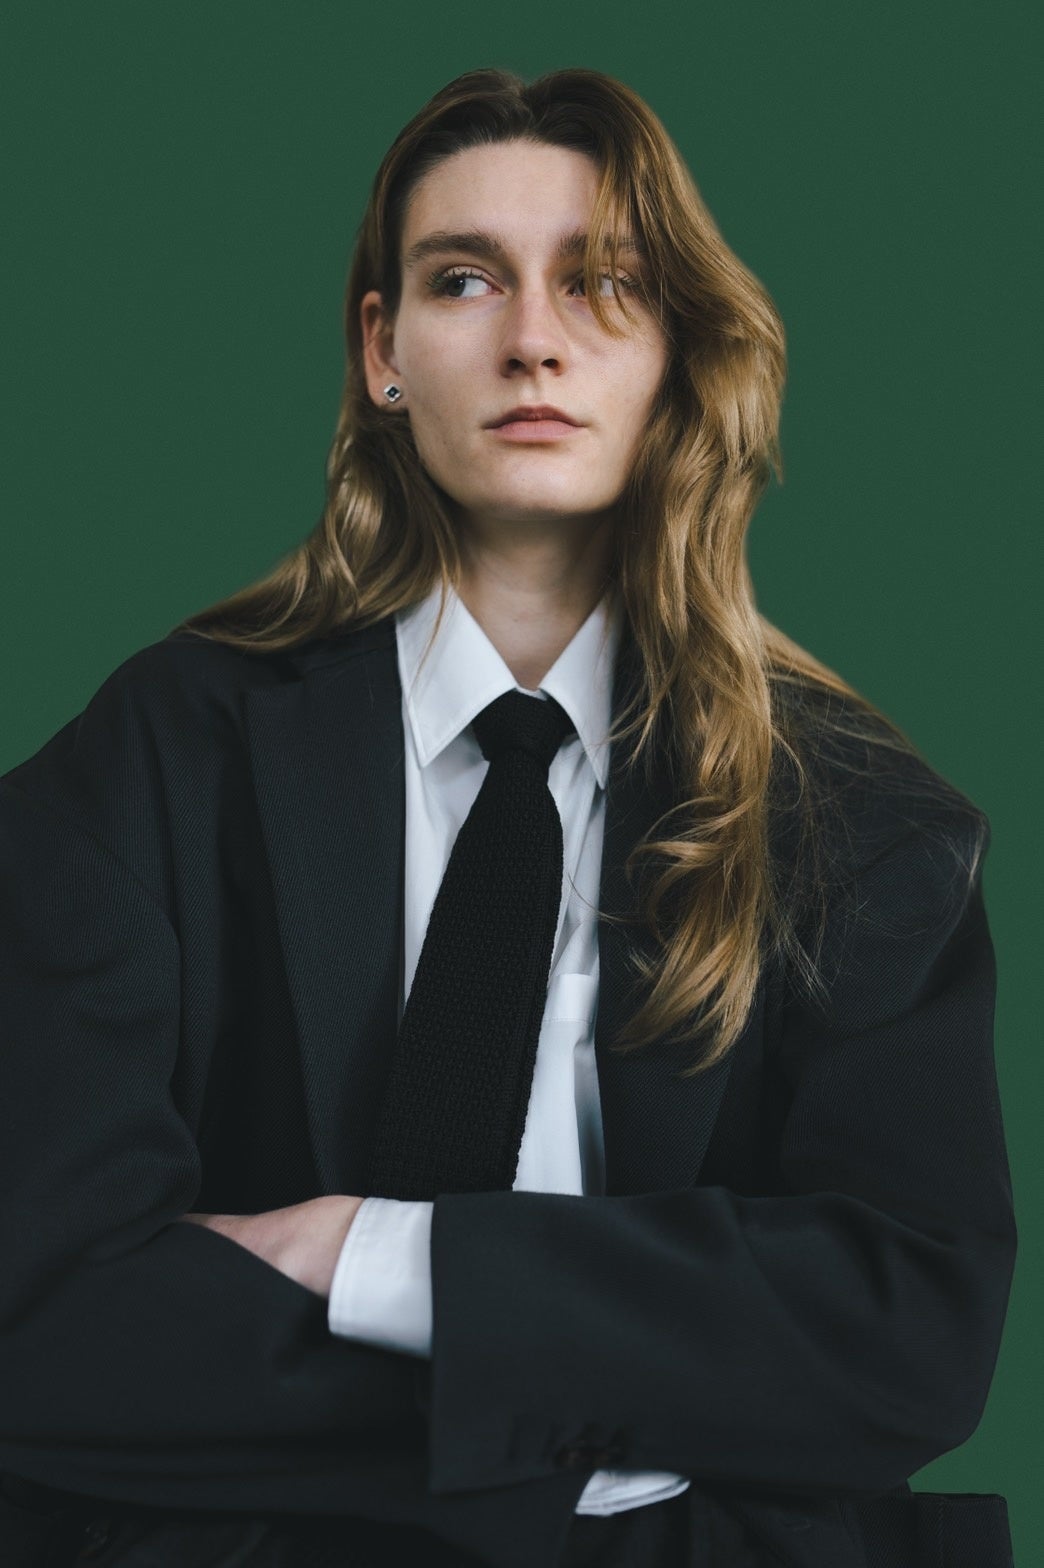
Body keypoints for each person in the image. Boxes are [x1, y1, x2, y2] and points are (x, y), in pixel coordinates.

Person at [0, 65, 1016, 1568]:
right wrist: (588, 1430)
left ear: (676, 351)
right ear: (383, 351)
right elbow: (40, 1306)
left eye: (604, 283)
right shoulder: (157, 751)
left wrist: (374, 1255)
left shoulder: (853, 814)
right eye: (465, 279)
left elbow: (912, 1329)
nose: (534, 340)